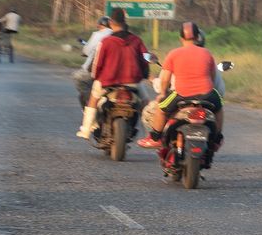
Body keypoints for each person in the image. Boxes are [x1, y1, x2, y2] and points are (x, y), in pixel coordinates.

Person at [137, 21, 223, 149]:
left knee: (161, 109)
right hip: (206, 94)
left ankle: (155, 138)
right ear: (197, 37)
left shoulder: (174, 53)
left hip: (182, 94)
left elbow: (165, 79)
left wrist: (162, 93)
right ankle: (216, 139)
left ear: (181, 38)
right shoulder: (207, 53)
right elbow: (212, 77)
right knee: (219, 108)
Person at [76, 8, 149, 139]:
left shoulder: (106, 42)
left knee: (93, 98)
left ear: (111, 22)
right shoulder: (136, 40)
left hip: (108, 81)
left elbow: (97, 64)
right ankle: (148, 134)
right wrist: (143, 75)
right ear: (124, 21)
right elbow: (145, 60)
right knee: (145, 103)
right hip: (133, 81)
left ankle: (86, 130)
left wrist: (95, 76)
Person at [72, 16, 113, 107]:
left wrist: (85, 51)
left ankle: (91, 102)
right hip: (115, 71)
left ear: (101, 25)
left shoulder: (98, 34)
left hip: (97, 70)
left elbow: (87, 50)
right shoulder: (117, 35)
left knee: (78, 78)